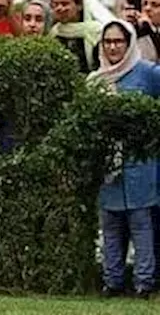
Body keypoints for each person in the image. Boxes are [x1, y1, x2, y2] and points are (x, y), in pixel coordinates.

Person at [90, 20, 160, 299]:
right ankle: (113, 282)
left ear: (129, 43)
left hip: (141, 163)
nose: (113, 47)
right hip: (108, 166)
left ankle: (144, 283)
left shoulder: (147, 73)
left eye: (119, 41)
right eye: (107, 42)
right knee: (110, 225)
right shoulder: (96, 79)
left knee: (142, 224)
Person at [48, 0, 101, 73]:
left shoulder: (96, 31)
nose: (59, 8)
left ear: (79, 5)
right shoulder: (54, 32)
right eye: (55, 4)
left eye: (65, 4)